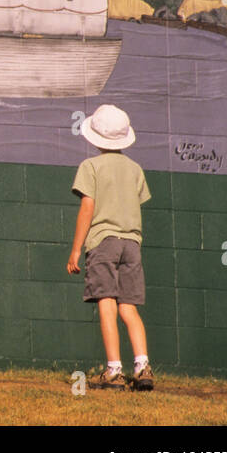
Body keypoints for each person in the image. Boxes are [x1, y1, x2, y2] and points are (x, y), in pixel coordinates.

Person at [67, 104, 154, 391]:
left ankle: (114, 371)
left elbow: (87, 208)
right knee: (129, 307)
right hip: (132, 244)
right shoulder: (135, 169)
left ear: (94, 137)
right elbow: (136, 201)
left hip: (103, 242)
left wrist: (76, 250)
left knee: (106, 302)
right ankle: (143, 367)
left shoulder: (90, 167)